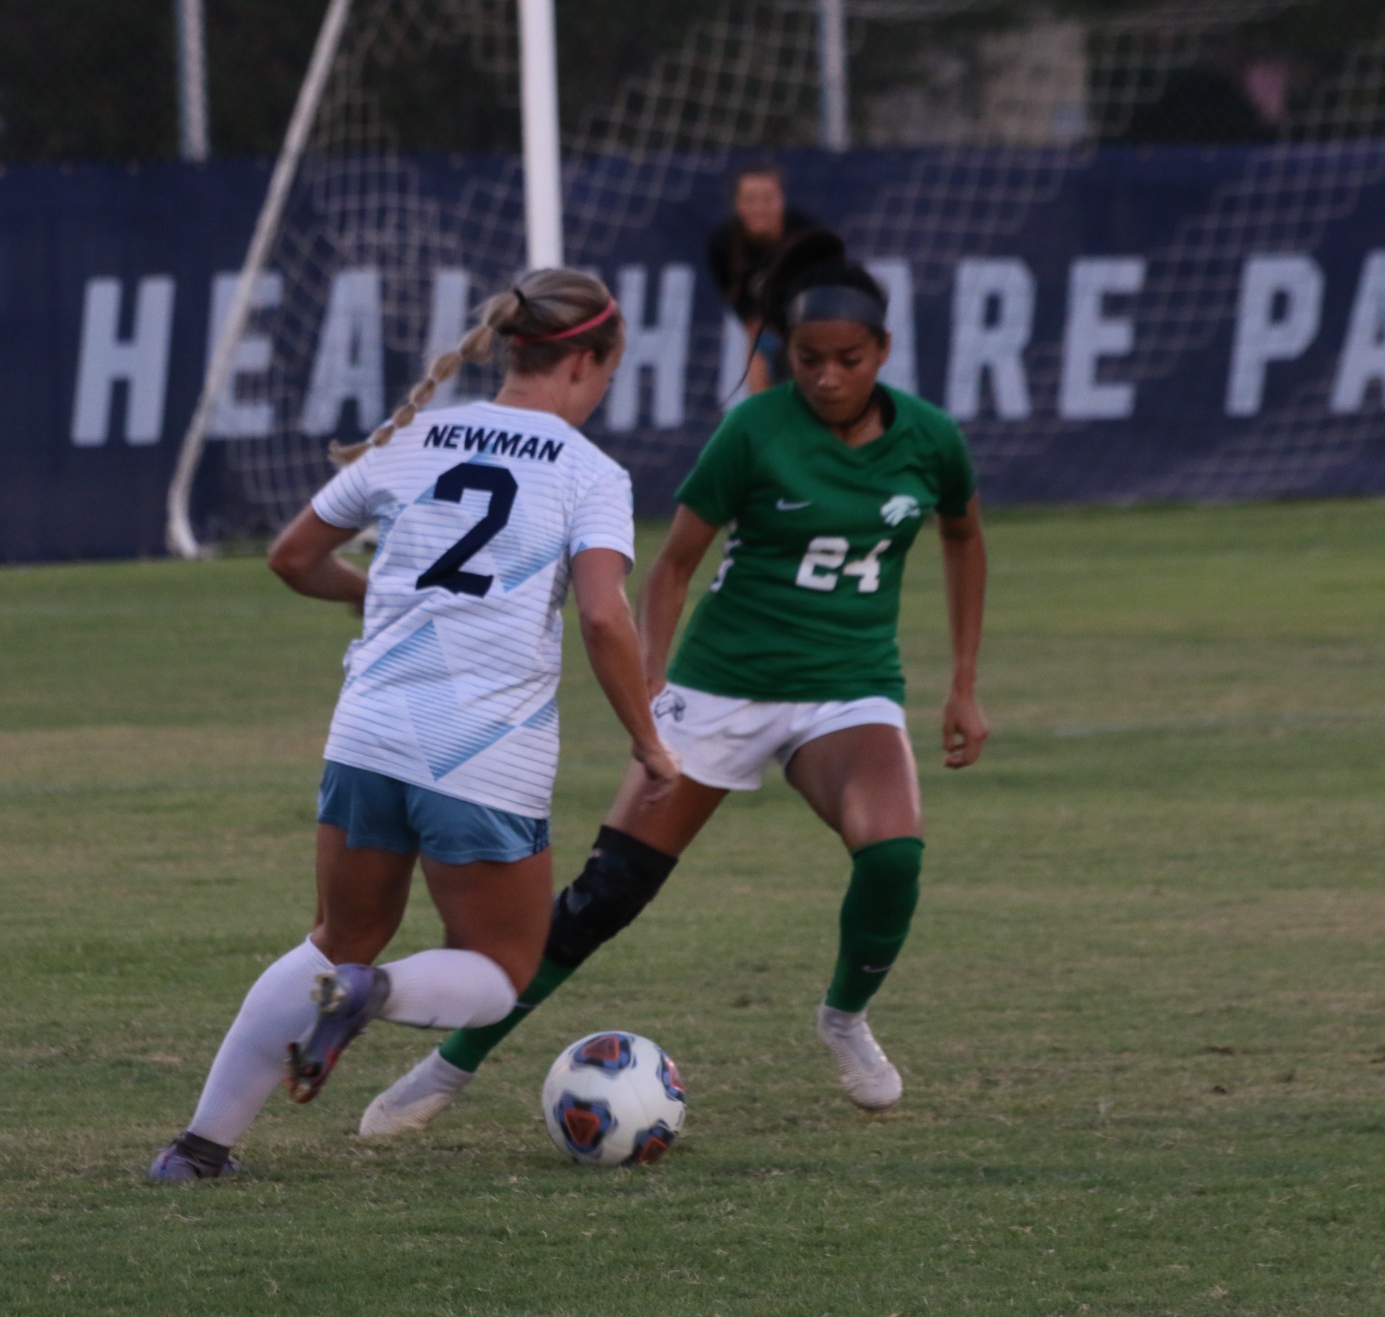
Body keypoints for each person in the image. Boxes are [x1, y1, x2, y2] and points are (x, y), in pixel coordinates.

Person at [361, 229, 988, 1134]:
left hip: (848, 688)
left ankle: (844, 1018)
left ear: (882, 353)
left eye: (847, 360)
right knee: (607, 894)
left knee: (894, 850)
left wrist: (962, 682)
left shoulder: (930, 439)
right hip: (722, 683)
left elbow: (965, 537)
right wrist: (652, 681)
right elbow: (672, 564)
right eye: (805, 359)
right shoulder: (754, 430)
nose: (824, 377)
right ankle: (447, 1068)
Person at [148, 269, 681, 1181]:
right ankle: (373, 995)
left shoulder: (420, 435)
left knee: (334, 936)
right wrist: (647, 739)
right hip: (481, 753)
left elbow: (292, 557)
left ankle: (198, 1149)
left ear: (514, 347)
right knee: (502, 968)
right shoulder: (590, 473)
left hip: (368, 737)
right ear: (589, 360)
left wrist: (385, 598)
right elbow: (602, 616)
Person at [705, 162, 819, 393]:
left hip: (810, 330)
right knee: (759, 396)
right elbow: (731, 291)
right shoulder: (723, 244)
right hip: (764, 331)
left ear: (781, 200)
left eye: (767, 198)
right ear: (738, 205)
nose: (759, 208)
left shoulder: (809, 239)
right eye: (750, 200)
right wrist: (751, 320)